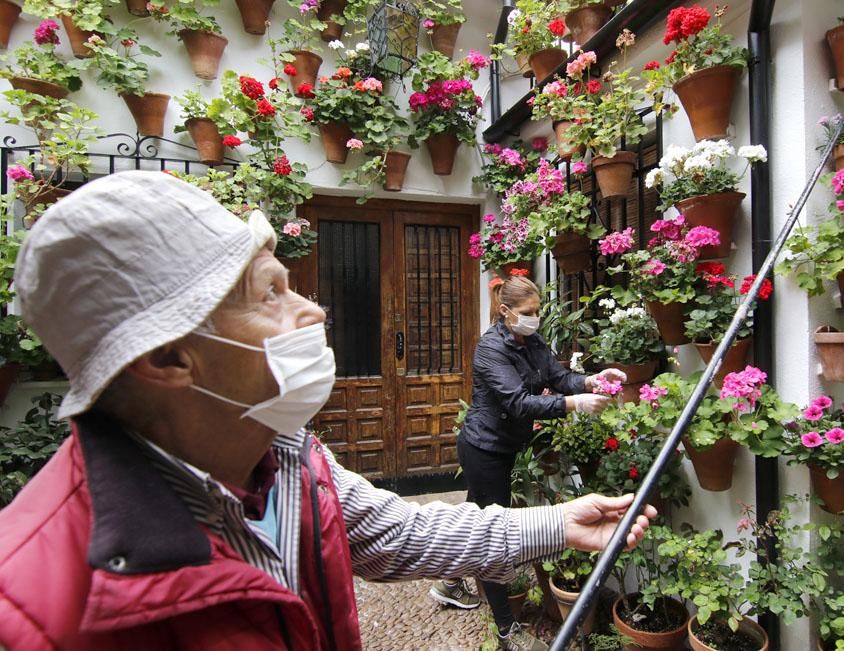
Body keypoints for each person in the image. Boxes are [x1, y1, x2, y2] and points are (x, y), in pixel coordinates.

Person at [0, 171, 655, 651]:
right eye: (271, 294)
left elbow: (404, 533)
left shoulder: (290, 456)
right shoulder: (30, 612)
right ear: (170, 357)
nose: (313, 311)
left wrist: (559, 522)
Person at [428, 275, 627, 650]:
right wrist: (573, 405)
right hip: (484, 449)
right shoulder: (490, 349)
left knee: (475, 515)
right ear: (505, 312)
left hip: (503, 447)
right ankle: (506, 631)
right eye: (527, 312)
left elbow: (558, 376)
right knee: (493, 538)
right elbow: (517, 402)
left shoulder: (532, 341)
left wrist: (590, 382)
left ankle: (449, 581)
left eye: (537, 311)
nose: (534, 318)